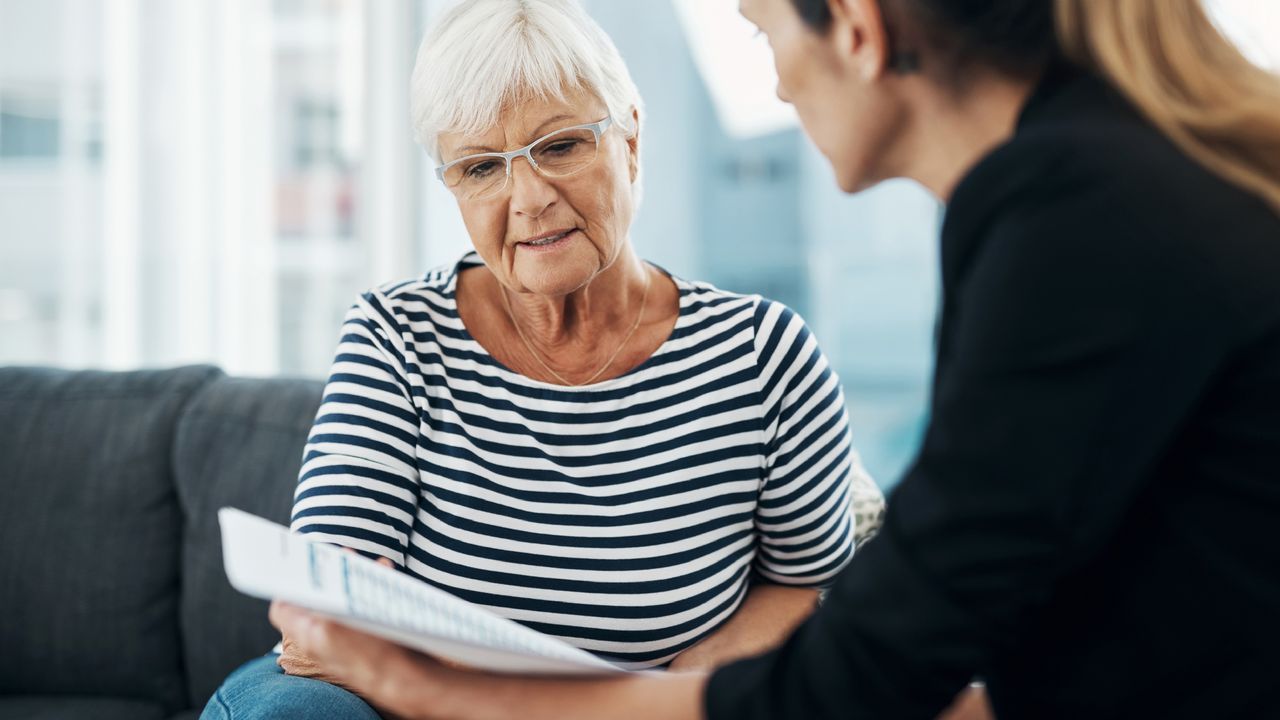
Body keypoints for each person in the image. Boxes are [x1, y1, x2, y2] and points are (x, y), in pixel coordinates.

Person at [268, 0, 1280, 718]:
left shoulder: (1074, 223)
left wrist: (446, 694)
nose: (774, 84)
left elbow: (868, 660)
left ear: (854, 25)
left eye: (760, 28)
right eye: (482, 167)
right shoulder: (1083, 194)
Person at [201, 1, 886, 718]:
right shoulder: (396, 333)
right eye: (480, 168)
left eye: (560, 147)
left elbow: (808, 586)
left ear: (630, 138)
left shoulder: (763, 354)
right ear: (453, 189)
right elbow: (328, 609)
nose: (528, 199)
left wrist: (680, 690)